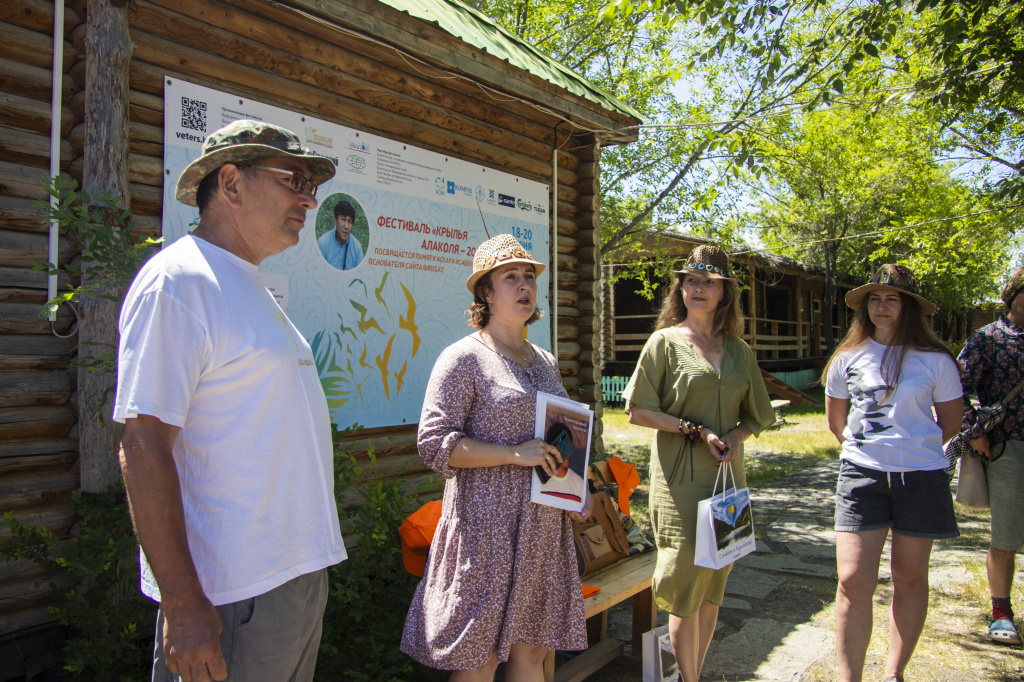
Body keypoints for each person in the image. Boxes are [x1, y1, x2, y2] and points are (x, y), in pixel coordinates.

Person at [114, 120, 348, 682]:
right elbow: (142, 443)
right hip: (231, 595)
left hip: (289, 583)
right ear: (232, 184)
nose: (310, 199)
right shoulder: (180, 282)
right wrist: (183, 605)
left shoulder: (247, 284)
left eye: (310, 184)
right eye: (293, 179)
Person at [401, 234, 592, 681]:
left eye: (529, 276)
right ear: (485, 292)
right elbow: (435, 444)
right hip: (486, 531)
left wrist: (575, 490)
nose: (524, 285)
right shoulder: (463, 358)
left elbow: (562, 435)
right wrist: (512, 454)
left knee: (532, 651)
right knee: (479, 658)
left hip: (544, 528)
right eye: (511, 277)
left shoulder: (544, 359)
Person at [621, 244, 776, 682]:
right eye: (691, 280)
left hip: (728, 483)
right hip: (681, 484)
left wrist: (735, 436)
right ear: (681, 289)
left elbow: (756, 416)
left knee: (712, 589)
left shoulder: (740, 351)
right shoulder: (665, 343)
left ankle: (694, 674)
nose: (699, 288)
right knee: (684, 586)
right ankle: (682, 679)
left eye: (709, 281)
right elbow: (637, 410)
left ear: (725, 292)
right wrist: (696, 431)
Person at [824, 264, 962, 682]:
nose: (882, 305)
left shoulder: (936, 361)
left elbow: (951, 424)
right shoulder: (847, 357)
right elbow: (836, 422)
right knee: (851, 580)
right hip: (861, 477)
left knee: (909, 577)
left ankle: (894, 673)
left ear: (908, 307)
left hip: (921, 480)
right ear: (865, 306)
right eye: (875, 298)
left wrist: (911, 451)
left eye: (892, 298)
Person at [958, 266, 1024, 645]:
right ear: (1012, 295)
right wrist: (975, 432)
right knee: (1007, 534)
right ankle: (1002, 612)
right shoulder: (988, 338)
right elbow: (958, 389)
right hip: (1007, 447)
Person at [317, 199, 363, 270]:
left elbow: (360, 275)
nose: (346, 226)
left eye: (349, 221)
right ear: (335, 219)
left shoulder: (356, 247)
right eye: (343, 220)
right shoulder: (323, 243)